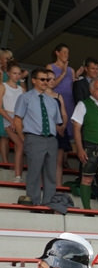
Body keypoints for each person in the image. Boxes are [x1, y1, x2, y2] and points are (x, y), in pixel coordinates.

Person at [14, 67, 62, 206]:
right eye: (42, 79)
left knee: (50, 173)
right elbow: (17, 120)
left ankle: (49, 202)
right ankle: (33, 202)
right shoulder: (25, 98)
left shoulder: (53, 101)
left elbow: (57, 122)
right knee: (34, 171)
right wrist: (24, 138)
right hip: (34, 137)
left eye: (47, 79)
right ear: (34, 80)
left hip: (51, 139)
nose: (45, 82)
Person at [70, 78, 98, 211]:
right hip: (90, 146)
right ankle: (87, 210)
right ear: (91, 90)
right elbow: (76, 128)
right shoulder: (83, 104)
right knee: (87, 178)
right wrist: (79, 149)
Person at [0, 61, 25, 181]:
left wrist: (19, 120)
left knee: (20, 145)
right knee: (20, 144)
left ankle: (18, 174)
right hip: (8, 116)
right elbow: (0, 108)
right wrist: (11, 120)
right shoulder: (3, 86)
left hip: (20, 118)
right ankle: (17, 175)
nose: (17, 76)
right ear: (8, 73)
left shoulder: (22, 89)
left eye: (19, 73)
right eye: (14, 73)